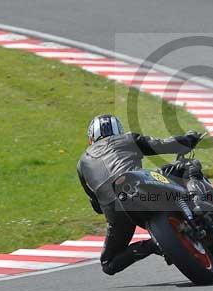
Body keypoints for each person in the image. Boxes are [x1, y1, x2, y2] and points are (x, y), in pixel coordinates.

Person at [77, 114, 203, 275]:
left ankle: (155, 245)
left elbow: (95, 203)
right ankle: (199, 203)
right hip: (140, 187)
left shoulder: (82, 163)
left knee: (109, 264)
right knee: (185, 167)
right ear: (118, 131)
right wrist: (188, 140)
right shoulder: (127, 138)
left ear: (91, 138)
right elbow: (163, 145)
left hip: (116, 210)